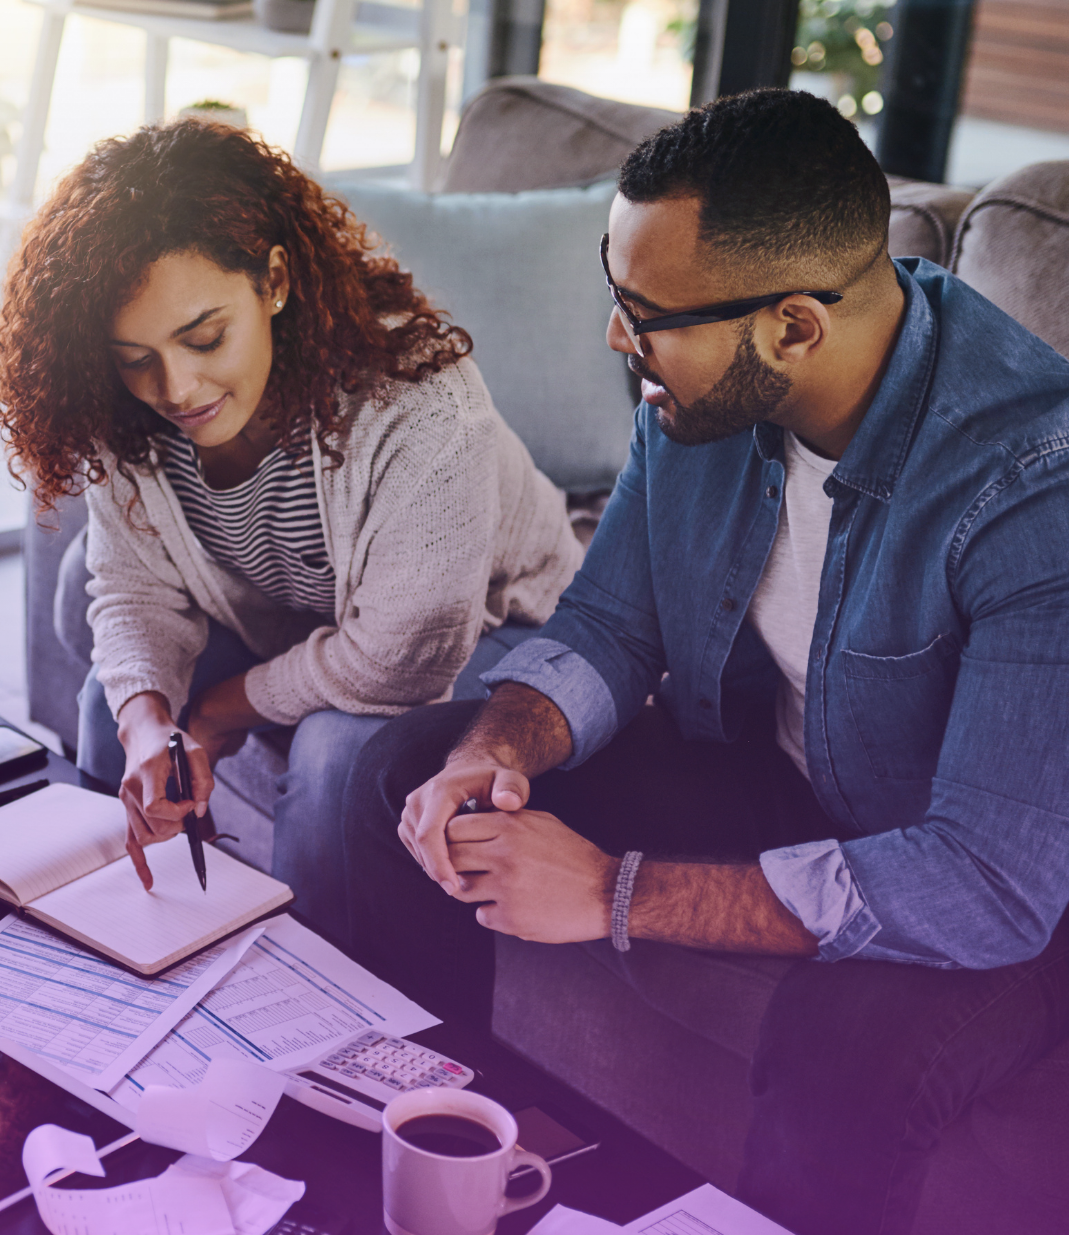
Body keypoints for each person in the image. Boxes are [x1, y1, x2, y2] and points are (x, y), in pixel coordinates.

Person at [340, 87, 1069, 1234]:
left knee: (845, 1055)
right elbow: (611, 626)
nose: (616, 337)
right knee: (401, 778)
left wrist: (610, 891)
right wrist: (498, 747)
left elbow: (987, 882)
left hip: (987, 873)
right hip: (776, 778)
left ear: (792, 325)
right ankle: (458, 1162)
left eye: (645, 310)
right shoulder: (699, 403)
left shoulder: (1033, 486)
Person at [0, 118, 581, 937]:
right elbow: (129, 586)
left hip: (498, 626)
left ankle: (329, 1020)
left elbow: (394, 662)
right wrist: (150, 722)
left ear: (272, 280)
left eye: (205, 337)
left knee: (338, 756)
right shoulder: (128, 408)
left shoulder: (423, 406)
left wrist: (219, 712)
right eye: (137, 357)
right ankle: (117, 950)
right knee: (110, 703)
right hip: (305, 617)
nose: (177, 386)